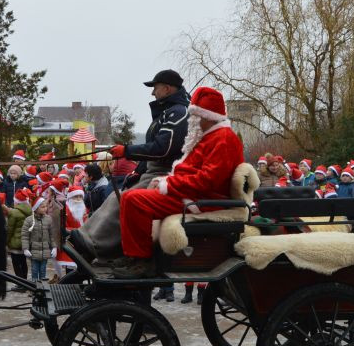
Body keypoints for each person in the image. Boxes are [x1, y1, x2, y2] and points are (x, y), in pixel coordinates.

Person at [111, 87, 244, 278]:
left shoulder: (223, 139)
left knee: (133, 199)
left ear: (207, 116)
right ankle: (134, 255)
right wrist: (167, 180)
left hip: (202, 200)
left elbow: (208, 181)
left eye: (195, 116)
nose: (192, 121)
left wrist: (170, 185)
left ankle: (142, 260)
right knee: (130, 197)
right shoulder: (211, 138)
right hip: (192, 195)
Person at [72, 69, 189, 261]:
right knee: (115, 197)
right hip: (154, 171)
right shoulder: (169, 112)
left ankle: (96, 246)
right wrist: (136, 172)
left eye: (155, 88)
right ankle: (89, 239)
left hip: (167, 174)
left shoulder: (178, 113)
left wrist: (127, 151)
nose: (153, 93)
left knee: (126, 199)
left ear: (167, 89)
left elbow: (163, 148)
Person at [21, 197, 55, 283]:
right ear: (36, 208)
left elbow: (52, 235)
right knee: (34, 270)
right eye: (42, 207)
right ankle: (35, 286)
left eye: (45, 206)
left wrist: (54, 247)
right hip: (34, 251)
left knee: (43, 270)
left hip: (45, 251)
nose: (45, 208)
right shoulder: (29, 220)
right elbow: (25, 235)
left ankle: (43, 287)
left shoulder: (48, 219)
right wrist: (25, 248)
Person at [5, 188, 33, 290]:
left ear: (16, 201)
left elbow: (9, 230)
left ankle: (20, 284)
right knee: (23, 262)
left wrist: (6, 241)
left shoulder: (14, 213)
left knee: (16, 264)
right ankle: (24, 281)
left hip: (15, 243)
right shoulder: (31, 210)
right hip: (26, 242)